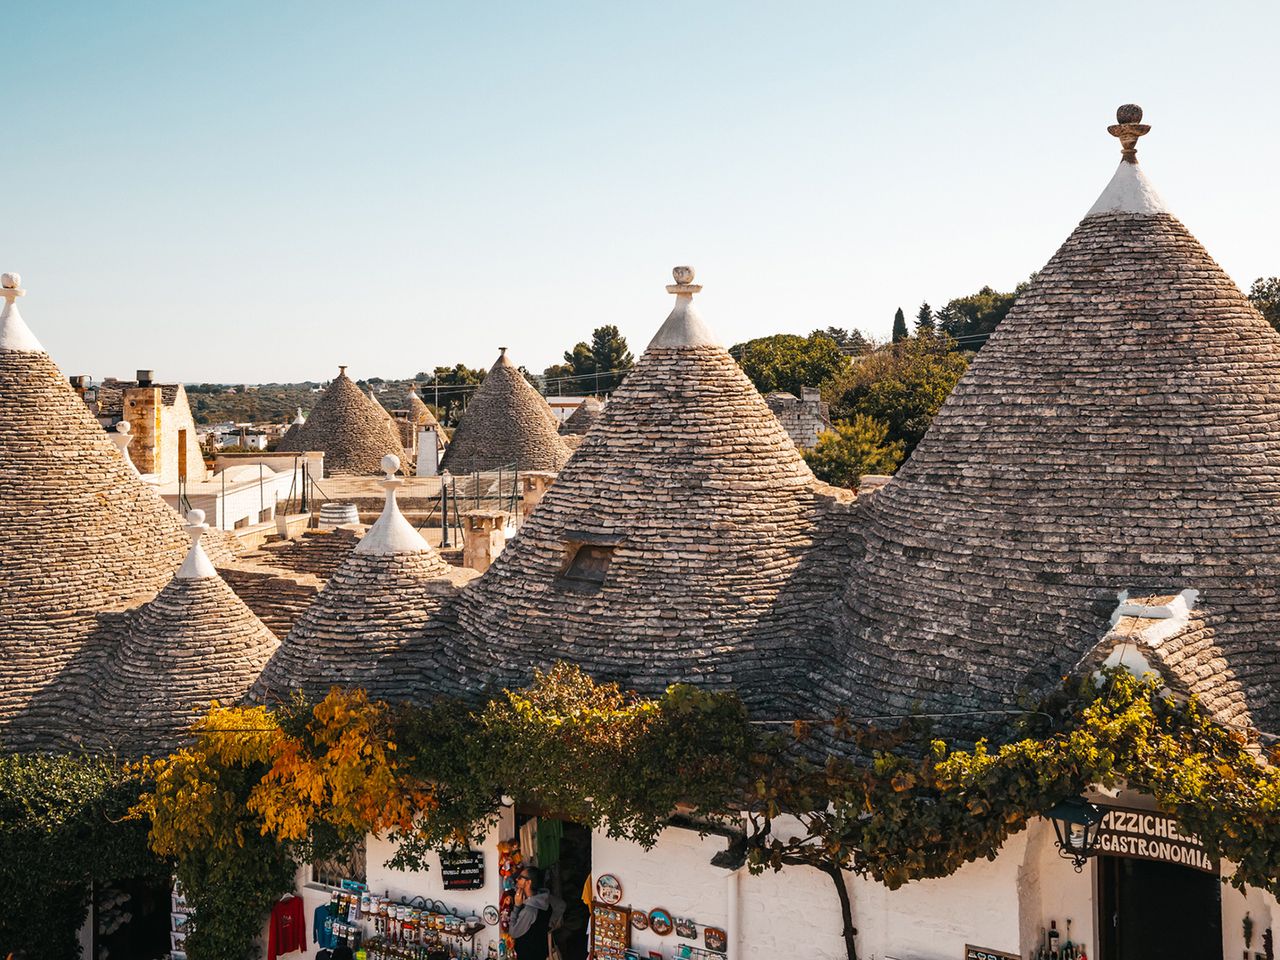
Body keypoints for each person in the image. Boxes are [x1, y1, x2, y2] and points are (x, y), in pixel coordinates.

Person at [508, 866, 563, 960]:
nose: (517, 879)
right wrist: (550, 925)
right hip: (541, 951)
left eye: (521, 877)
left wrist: (517, 907)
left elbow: (513, 932)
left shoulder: (530, 910)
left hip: (529, 955)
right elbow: (561, 905)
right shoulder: (545, 898)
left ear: (528, 883)